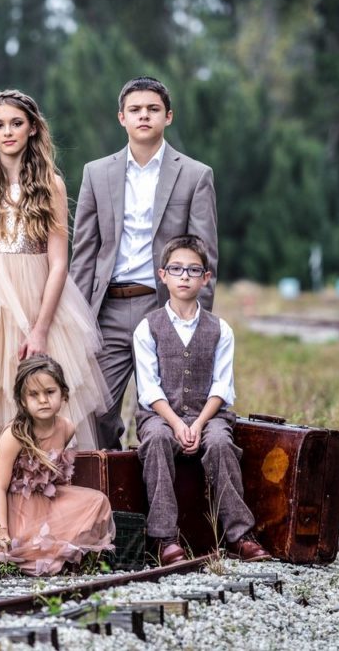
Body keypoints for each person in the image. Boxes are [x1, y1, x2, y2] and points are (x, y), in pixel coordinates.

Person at [0, 90, 110, 471]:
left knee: (39, 396)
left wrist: (40, 329)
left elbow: (59, 262)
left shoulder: (51, 185)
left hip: (32, 301)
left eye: (16, 123)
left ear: (31, 128)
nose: (8, 131)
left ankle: (42, 504)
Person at [69, 76, 219, 450]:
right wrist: (75, 317)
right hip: (110, 311)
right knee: (96, 411)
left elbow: (206, 254)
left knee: (164, 417)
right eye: (135, 110)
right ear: (122, 117)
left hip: (165, 307)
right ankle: (113, 496)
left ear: (168, 117)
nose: (144, 116)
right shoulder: (96, 173)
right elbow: (84, 253)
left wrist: (196, 322)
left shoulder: (195, 175)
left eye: (153, 109)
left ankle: (157, 499)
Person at [132, 235, 270, 565]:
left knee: (222, 443)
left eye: (193, 270)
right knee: (157, 439)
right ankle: (165, 538)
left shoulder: (220, 329)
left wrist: (199, 423)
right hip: (162, 416)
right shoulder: (147, 327)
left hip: (209, 415)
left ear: (205, 278)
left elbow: (223, 387)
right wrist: (178, 424)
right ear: (162, 275)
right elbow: (149, 390)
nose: (184, 276)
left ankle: (239, 534)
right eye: (176, 269)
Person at [0, 355, 115, 575]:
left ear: (64, 394)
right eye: (34, 395)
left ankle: (63, 550)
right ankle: (28, 549)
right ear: (23, 401)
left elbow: (57, 478)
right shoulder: (14, 435)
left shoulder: (66, 428)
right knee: (29, 542)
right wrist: (2, 533)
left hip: (46, 500)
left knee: (97, 501)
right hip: (14, 506)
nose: (43, 400)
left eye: (50, 392)